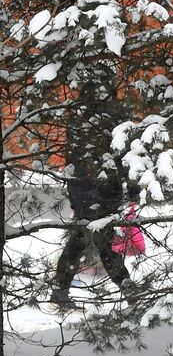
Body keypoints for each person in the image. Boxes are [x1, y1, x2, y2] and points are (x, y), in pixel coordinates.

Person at [50, 68, 131, 309]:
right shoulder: (110, 116)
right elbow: (120, 154)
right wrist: (128, 186)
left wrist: (73, 190)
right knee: (100, 240)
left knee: (85, 239)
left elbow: (70, 158)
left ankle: (60, 289)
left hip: (83, 190)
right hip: (102, 191)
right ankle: (128, 287)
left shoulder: (78, 116)